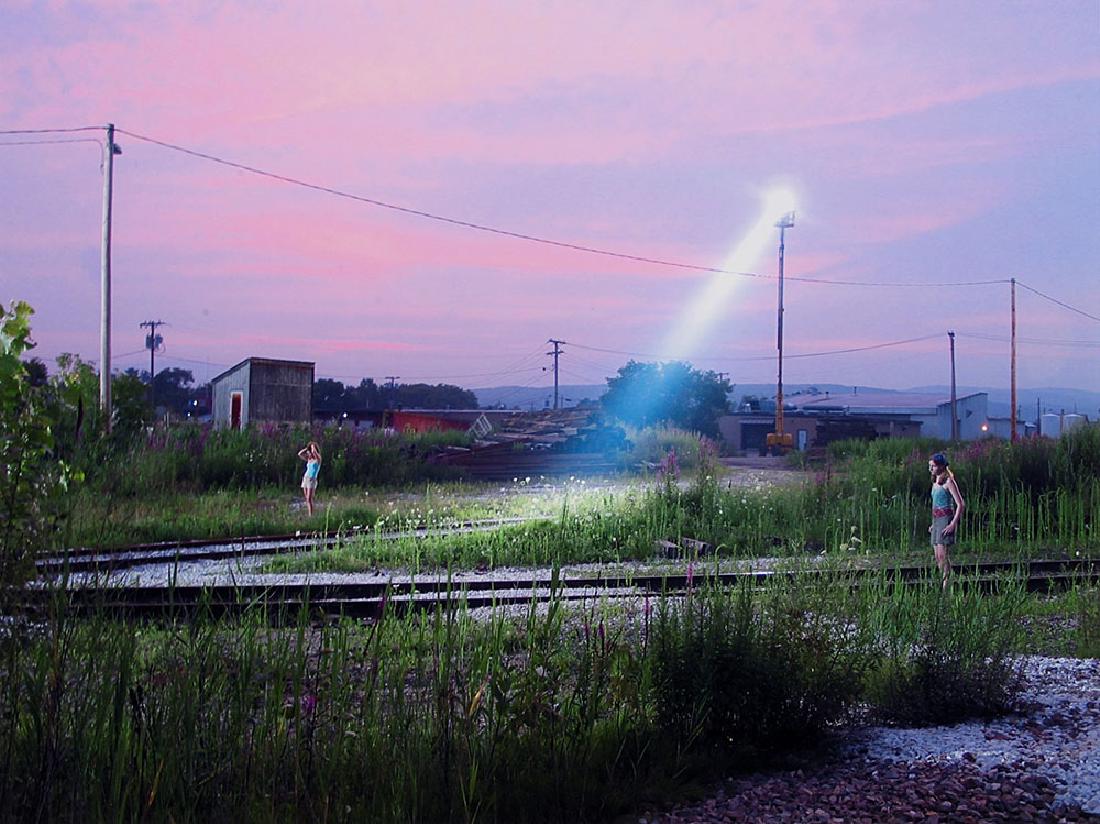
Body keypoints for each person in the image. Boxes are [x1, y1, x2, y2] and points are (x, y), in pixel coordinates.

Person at [928, 452, 964, 588]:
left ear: (942, 466)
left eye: (934, 466)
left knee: (943, 555)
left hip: (945, 518)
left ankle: (946, 584)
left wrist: (953, 523)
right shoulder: (935, 482)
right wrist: (933, 524)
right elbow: (935, 504)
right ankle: (943, 581)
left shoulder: (949, 482)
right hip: (937, 519)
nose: (931, 468)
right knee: (937, 556)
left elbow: (960, 504)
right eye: (930, 466)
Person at [298, 441, 322, 516]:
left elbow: (315, 452)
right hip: (306, 478)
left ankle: (311, 515)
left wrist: (313, 447)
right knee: (307, 498)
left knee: (309, 498)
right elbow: (300, 454)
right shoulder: (309, 459)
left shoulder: (318, 459)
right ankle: (310, 513)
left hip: (312, 479)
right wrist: (306, 449)